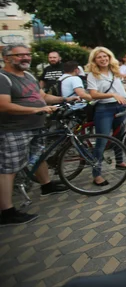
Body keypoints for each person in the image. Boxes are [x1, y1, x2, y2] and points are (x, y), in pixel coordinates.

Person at [0, 44, 74, 226]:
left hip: (35, 126)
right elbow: (3, 105)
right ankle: (6, 212)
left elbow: (42, 96)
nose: (25, 58)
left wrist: (64, 99)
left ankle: (46, 186)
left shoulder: (29, 76)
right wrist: (37, 110)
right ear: (7, 58)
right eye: (20, 55)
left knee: (40, 156)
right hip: (14, 129)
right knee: (8, 169)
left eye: (27, 54)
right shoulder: (3, 78)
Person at [87, 47, 126, 186]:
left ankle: (119, 161)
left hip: (119, 106)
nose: (103, 59)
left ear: (109, 57)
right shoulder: (93, 74)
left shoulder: (114, 71)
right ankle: (97, 175)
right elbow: (93, 94)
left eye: (105, 56)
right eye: (99, 57)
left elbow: (118, 89)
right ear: (94, 60)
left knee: (119, 137)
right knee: (102, 141)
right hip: (104, 109)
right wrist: (112, 95)